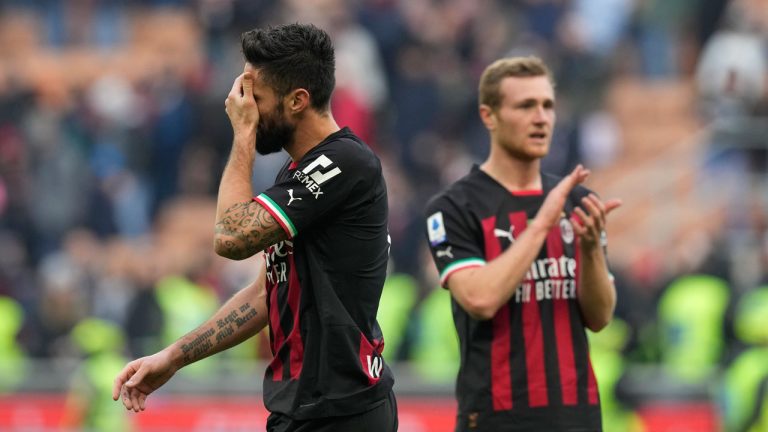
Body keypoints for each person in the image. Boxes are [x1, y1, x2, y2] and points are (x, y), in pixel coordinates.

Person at [112, 23, 397, 432]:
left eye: (254, 97)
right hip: (305, 407)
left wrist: (242, 133)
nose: (242, 106)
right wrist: (173, 357)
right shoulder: (300, 171)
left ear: (298, 100)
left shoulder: (344, 163)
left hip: (344, 410)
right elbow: (267, 292)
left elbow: (231, 236)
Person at [423, 56, 621, 431]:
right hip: (498, 418)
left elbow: (600, 317)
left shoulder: (576, 201)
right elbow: (480, 299)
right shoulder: (453, 207)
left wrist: (592, 251)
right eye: (525, 106)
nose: (541, 117)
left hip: (577, 416)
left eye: (547, 105)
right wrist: (543, 223)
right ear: (489, 116)